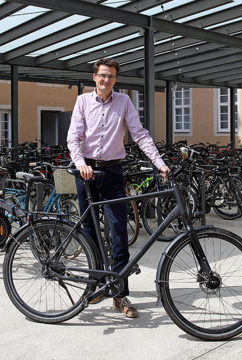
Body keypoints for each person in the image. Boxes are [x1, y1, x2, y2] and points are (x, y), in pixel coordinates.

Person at [67, 57, 169, 318]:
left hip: (112, 172)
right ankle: (94, 284)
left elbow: (139, 134)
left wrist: (159, 163)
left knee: (118, 232)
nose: (106, 80)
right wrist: (80, 163)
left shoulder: (123, 102)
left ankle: (120, 293)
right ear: (94, 77)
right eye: (102, 75)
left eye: (111, 76)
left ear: (115, 79)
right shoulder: (82, 101)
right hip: (86, 171)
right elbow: (74, 138)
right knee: (89, 230)